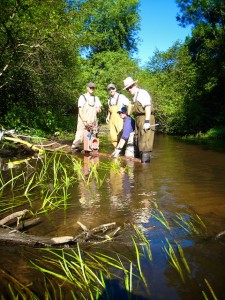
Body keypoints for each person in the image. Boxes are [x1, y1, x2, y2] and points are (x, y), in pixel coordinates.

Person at [123, 76, 155, 163]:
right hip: (138, 119)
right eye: (127, 88)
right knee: (138, 141)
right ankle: (139, 172)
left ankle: (145, 169)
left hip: (145, 117)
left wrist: (147, 122)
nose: (129, 89)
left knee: (145, 144)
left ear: (135, 84)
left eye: (131, 86)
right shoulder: (135, 97)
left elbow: (147, 107)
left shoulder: (142, 93)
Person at [72, 82, 102, 152]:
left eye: (93, 88)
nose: (92, 89)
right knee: (79, 137)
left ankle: (89, 149)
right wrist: (85, 121)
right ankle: (74, 149)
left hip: (93, 121)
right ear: (87, 88)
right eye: (90, 87)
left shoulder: (96, 98)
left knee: (92, 138)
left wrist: (99, 109)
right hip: (83, 121)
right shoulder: (82, 97)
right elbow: (80, 110)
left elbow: (99, 109)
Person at [106, 83, 131, 149]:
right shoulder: (109, 100)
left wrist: (128, 115)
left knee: (121, 134)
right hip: (112, 119)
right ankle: (116, 149)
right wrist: (108, 116)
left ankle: (123, 148)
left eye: (112, 89)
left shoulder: (121, 97)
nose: (111, 90)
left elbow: (129, 104)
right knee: (113, 136)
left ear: (115, 89)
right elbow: (109, 109)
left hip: (120, 118)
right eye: (109, 89)